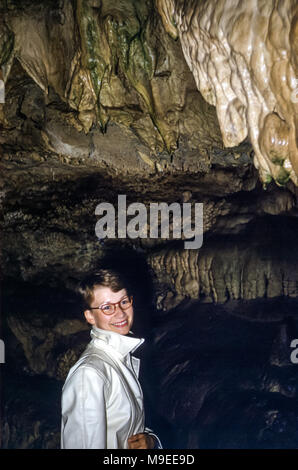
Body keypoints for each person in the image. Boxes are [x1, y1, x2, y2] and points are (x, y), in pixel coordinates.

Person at [61, 268, 162, 449]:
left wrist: (151, 441)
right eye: (107, 307)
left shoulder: (121, 357)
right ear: (90, 316)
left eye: (124, 301)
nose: (120, 313)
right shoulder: (89, 374)